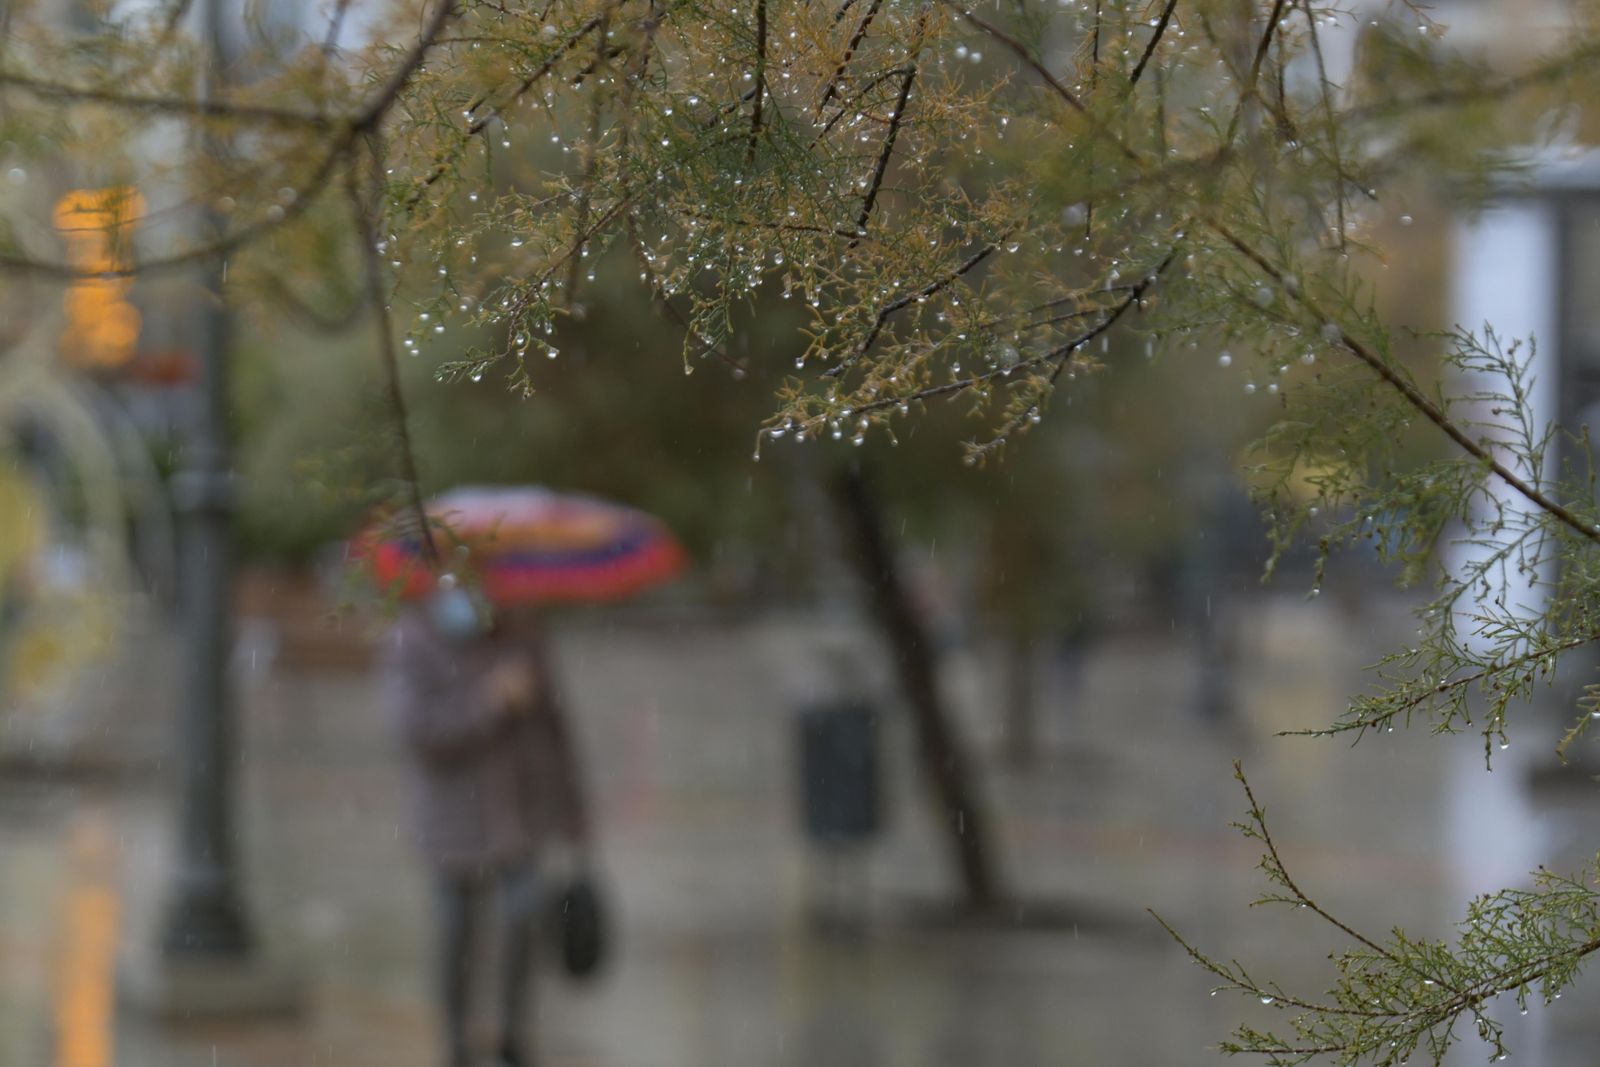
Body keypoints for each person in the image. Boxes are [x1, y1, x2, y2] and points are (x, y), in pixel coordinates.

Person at [381, 578, 591, 1067]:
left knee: (522, 917)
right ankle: (454, 1042)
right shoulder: (412, 641)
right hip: (452, 817)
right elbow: (418, 732)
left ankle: (513, 1034)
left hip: (520, 811)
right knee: (456, 934)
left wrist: (575, 814)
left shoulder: (523, 633)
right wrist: (491, 700)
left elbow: (556, 728)